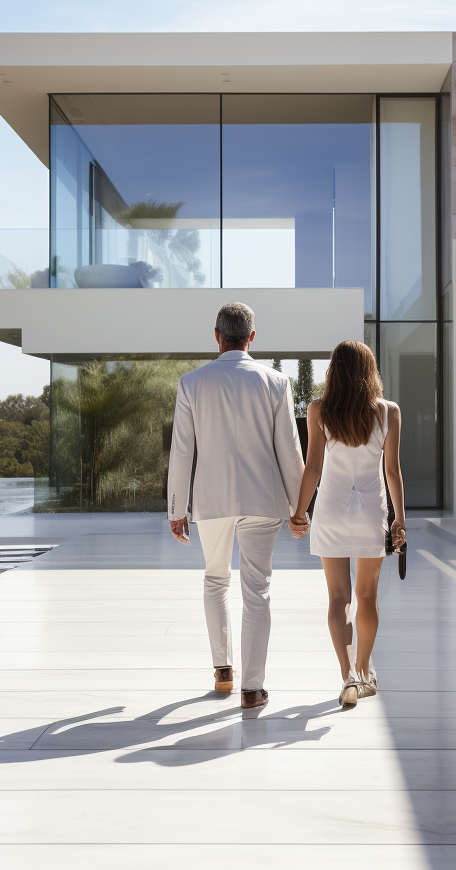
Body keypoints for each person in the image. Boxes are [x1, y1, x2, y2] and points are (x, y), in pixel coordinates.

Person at [167, 302, 305, 710]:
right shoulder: (276, 382)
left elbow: (181, 452)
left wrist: (177, 508)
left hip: (210, 500)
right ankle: (253, 689)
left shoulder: (191, 383)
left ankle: (222, 670)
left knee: (214, 580)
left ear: (216, 335)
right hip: (263, 499)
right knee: (257, 591)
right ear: (252, 336)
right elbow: (290, 451)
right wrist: (300, 509)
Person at [290, 340, 406, 710]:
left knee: (338, 598)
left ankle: (347, 678)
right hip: (372, 512)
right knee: (367, 597)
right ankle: (364, 671)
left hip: (331, 511)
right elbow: (392, 471)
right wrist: (400, 518)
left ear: (334, 371)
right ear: (370, 371)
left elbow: (313, 467)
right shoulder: (389, 412)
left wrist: (299, 512)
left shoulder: (319, 410)